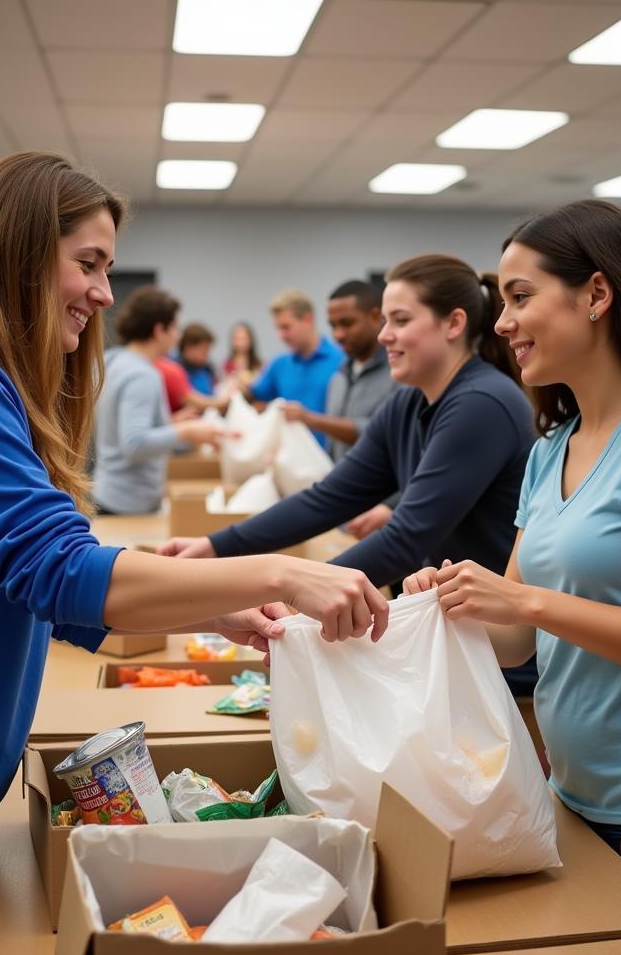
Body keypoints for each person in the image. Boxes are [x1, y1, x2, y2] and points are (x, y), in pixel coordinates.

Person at [0, 152, 388, 955]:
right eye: (88, 263)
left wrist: (216, 612)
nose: (105, 293)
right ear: (16, 254)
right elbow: (56, 571)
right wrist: (283, 574)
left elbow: (11, 573)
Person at [405, 200, 621, 853]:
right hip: (569, 793)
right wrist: (455, 601)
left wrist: (529, 600)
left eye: (520, 296)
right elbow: (516, 640)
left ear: (596, 293)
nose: (504, 322)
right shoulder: (550, 451)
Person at [160, 253, 540, 692]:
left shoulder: (482, 403)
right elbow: (328, 498)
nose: (384, 336)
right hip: (452, 642)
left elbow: (405, 538)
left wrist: (292, 594)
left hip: (500, 662)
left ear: (453, 324)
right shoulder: (407, 403)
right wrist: (213, 546)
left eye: (399, 320)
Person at [93, 287, 226, 515]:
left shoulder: (112, 360)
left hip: (108, 493)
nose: (177, 336)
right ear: (159, 330)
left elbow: (122, 427)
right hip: (127, 504)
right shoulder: (142, 374)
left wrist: (171, 424)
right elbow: (134, 444)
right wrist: (186, 431)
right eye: (174, 328)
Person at [284, 279, 400, 539]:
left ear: (375, 317)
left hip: (384, 516)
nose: (338, 334)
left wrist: (310, 419)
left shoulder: (399, 374)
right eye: (334, 326)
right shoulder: (339, 376)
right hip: (345, 512)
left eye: (347, 323)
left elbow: (374, 432)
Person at [247, 288, 343, 447]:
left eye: (286, 327)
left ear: (308, 320)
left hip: (332, 462)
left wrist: (308, 417)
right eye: (277, 328)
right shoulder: (279, 365)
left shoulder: (341, 361)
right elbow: (253, 395)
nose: (281, 335)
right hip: (291, 461)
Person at [176, 322, 218, 396]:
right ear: (189, 347)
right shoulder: (176, 370)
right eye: (204, 350)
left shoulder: (207, 368)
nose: (206, 355)